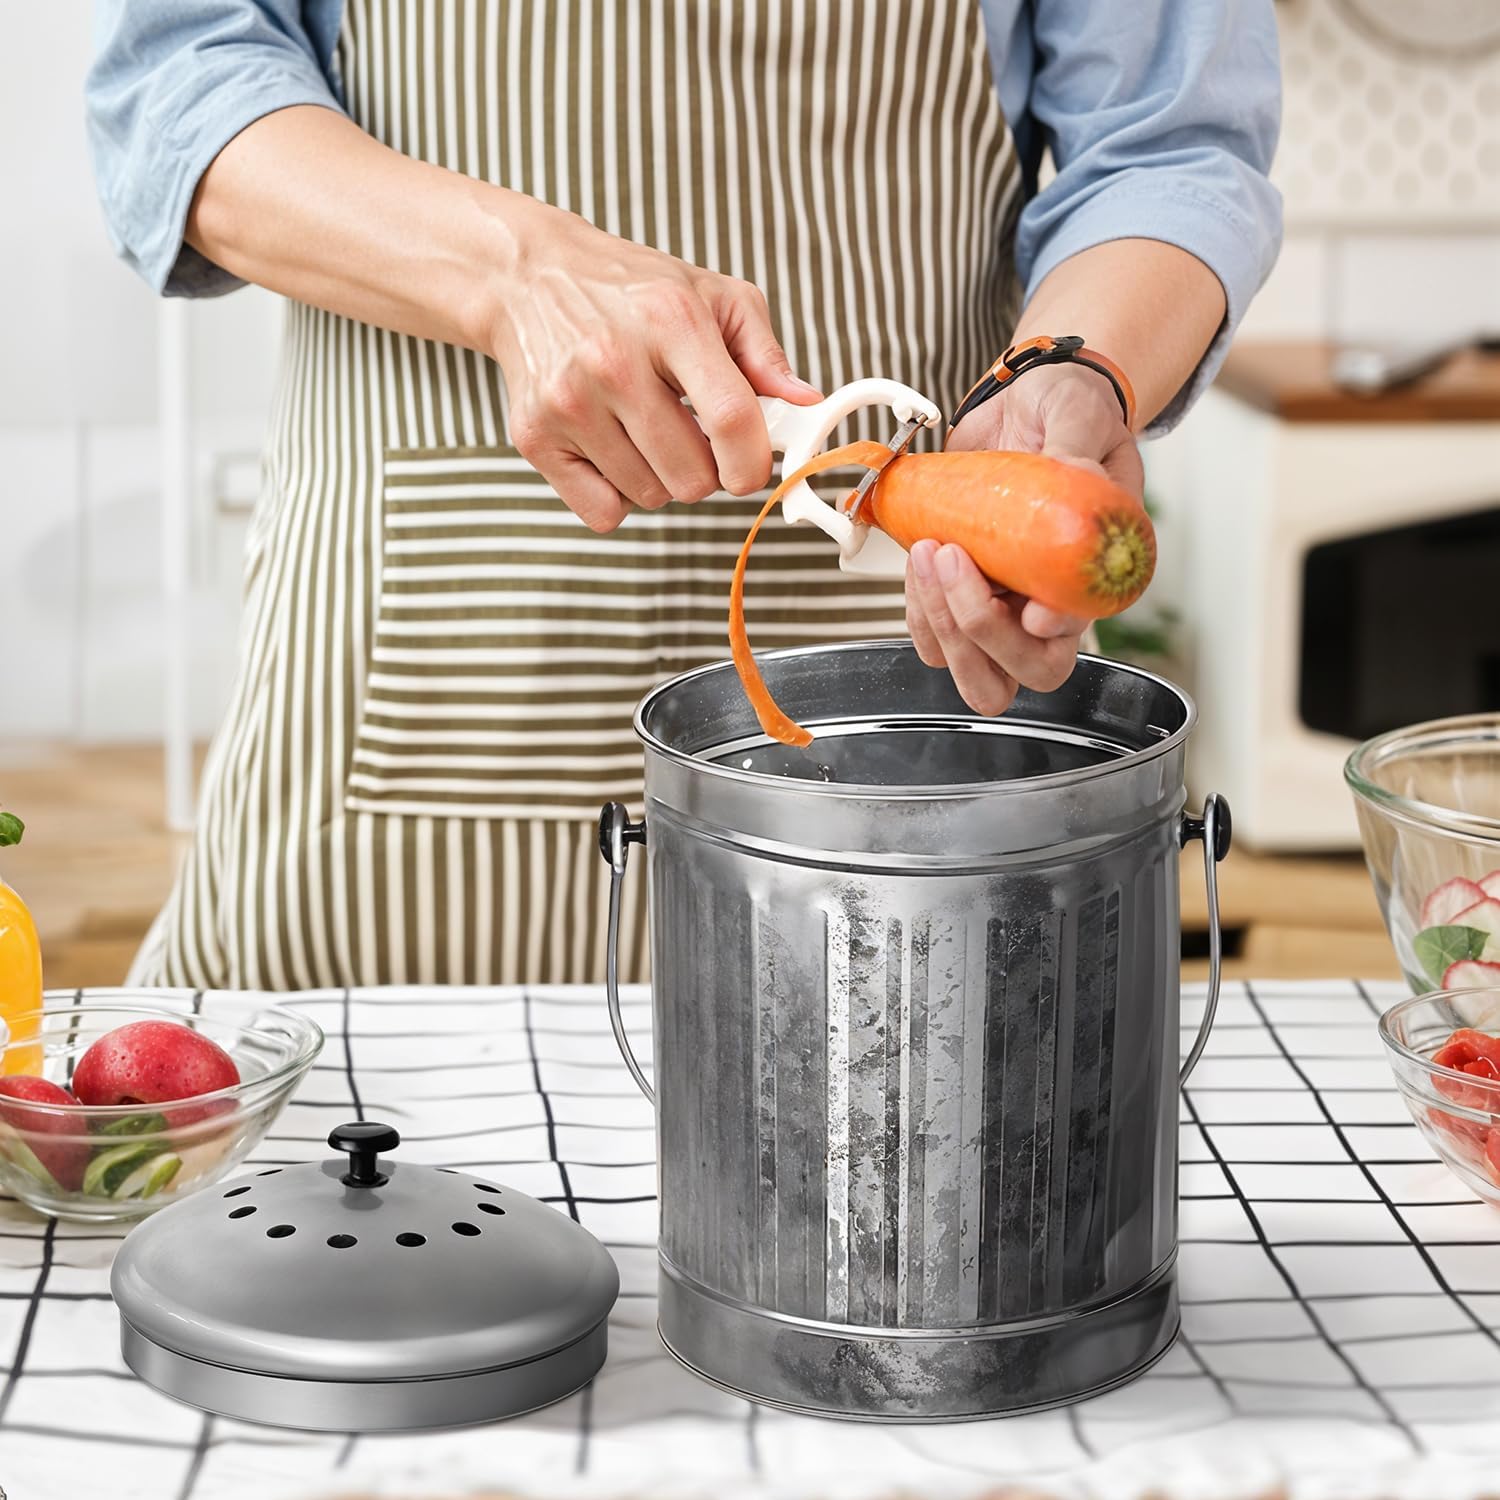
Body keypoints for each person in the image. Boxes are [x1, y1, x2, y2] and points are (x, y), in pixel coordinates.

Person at [86, 1, 1281, 990]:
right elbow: (174, 81)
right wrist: (514, 274)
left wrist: (1074, 368)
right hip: (420, 671)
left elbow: (1168, 147)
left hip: (916, 651)